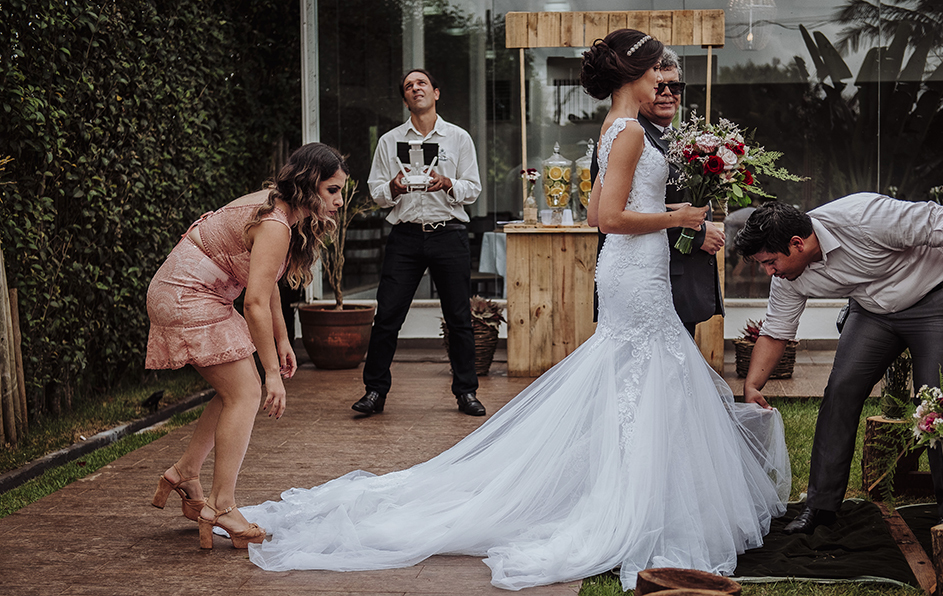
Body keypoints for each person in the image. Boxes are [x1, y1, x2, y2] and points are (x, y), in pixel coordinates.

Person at [238, 30, 789, 591]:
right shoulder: (626, 133)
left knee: (645, 373)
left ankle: (641, 484)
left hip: (633, 269)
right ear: (634, 75)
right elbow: (606, 219)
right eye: (656, 74)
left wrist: (671, 211)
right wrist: (682, 219)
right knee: (646, 370)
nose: (662, 82)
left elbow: (606, 204)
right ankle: (634, 498)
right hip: (634, 270)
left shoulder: (618, 130)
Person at [733, 195, 943, 534]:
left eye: (770, 261)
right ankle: (820, 508)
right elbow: (776, 332)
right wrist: (752, 386)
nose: (768, 271)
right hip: (873, 311)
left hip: (934, 295)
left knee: (938, 403)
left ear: (797, 244)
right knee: (841, 390)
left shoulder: (863, 216)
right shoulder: (787, 277)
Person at [146, 143, 348, 549]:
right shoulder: (276, 223)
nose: (340, 201)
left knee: (233, 391)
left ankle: (185, 472)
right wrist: (271, 373)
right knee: (247, 391)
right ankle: (221, 507)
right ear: (309, 185)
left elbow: (266, 282)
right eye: (332, 190)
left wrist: (281, 339)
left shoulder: (281, 210)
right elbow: (253, 302)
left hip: (193, 292)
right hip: (189, 295)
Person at [352, 68, 485, 418]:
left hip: (449, 233)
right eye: (409, 86)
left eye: (421, 83)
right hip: (406, 237)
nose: (415, 88)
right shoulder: (388, 141)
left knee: (458, 317)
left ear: (436, 93)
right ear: (405, 98)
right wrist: (393, 188)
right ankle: (375, 392)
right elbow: (377, 193)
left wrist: (447, 183)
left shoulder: (458, 138)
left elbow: (473, 189)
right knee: (387, 317)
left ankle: (466, 392)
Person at [588, 48, 725, 335]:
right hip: (647, 273)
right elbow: (607, 216)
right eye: (658, 83)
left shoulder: (678, 137)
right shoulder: (626, 132)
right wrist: (694, 229)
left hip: (676, 273)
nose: (665, 92)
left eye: (674, 86)